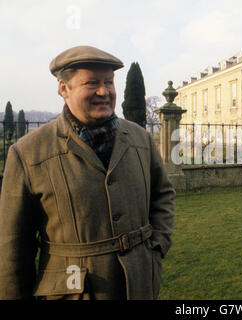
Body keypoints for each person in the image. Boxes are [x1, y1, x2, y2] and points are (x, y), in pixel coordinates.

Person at [0, 45, 175, 300]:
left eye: (109, 82)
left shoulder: (140, 138)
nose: (103, 92)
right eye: (91, 83)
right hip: (73, 292)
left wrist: (156, 247)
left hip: (140, 285)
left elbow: (163, 194)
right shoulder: (28, 153)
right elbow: (13, 246)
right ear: (64, 89)